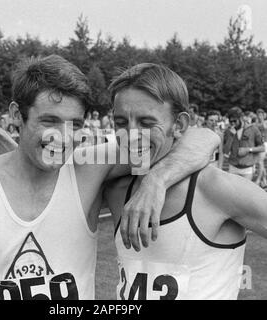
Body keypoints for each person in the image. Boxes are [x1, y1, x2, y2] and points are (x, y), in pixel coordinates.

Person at [0, 55, 218, 300]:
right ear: (16, 114)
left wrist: (157, 180)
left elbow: (203, 138)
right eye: (49, 121)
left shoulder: (86, 166)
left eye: (75, 125)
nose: (63, 137)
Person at [100, 63, 267, 300]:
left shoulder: (215, 189)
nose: (132, 134)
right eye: (120, 122)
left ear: (178, 125)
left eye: (147, 123)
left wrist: (156, 179)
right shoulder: (115, 188)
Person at [223, 107, 265, 181]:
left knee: (245, 191)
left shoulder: (253, 129)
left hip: (247, 168)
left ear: (241, 118)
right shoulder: (228, 131)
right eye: (230, 121)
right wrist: (231, 136)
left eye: (234, 121)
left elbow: (262, 147)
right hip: (233, 166)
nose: (232, 123)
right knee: (232, 191)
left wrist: (248, 149)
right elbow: (225, 151)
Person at [255, 108, 267, 188]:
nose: (259, 116)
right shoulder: (255, 123)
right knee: (260, 162)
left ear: (263, 115)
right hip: (258, 144)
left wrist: (262, 120)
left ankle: (258, 180)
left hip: (265, 143)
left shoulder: (265, 122)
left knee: (260, 162)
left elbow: (265, 128)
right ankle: (264, 180)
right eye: (258, 114)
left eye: (261, 114)